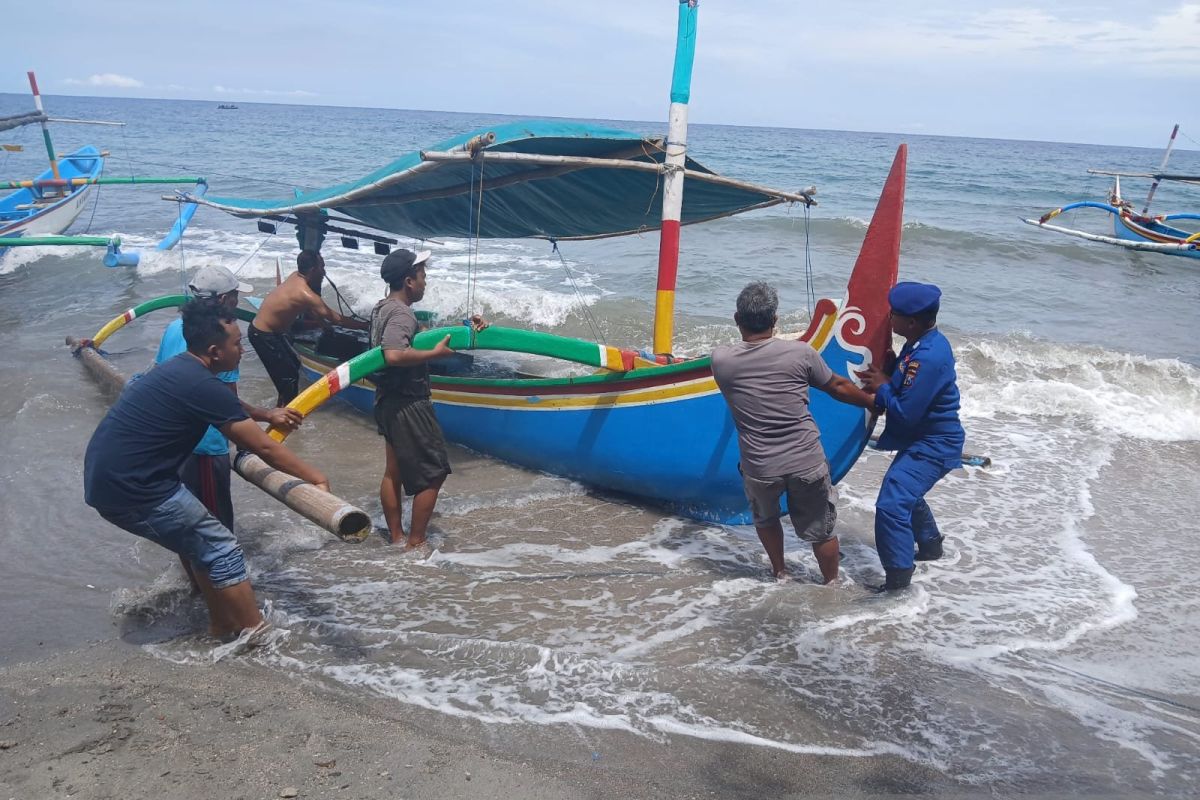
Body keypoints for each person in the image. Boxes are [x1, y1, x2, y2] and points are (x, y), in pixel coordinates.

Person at [85, 302, 331, 641]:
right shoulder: (201, 385)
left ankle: (222, 625)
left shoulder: (183, 369)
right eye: (237, 343)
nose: (243, 350)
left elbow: (225, 404)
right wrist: (317, 479)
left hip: (111, 478)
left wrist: (265, 413)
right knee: (222, 547)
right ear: (215, 352)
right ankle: (255, 635)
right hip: (134, 488)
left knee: (200, 542)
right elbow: (264, 448)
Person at [712, 282, 878, 583]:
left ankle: (780, 572)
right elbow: (838, 386)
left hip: (760, 466)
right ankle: (831, 585)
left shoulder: (721, 361)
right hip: (806, 461)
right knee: (821, 531)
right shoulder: (801, 353)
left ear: (737, 319)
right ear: (776, 321)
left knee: (766, 519)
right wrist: (873, 403)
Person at [155, 265, 303, 542]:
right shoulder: (222, 342)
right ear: (224, 300)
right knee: (217, 530)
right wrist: (268, 416)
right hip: (204, 446)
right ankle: (217, 583)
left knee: (188, 525)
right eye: (235, 296)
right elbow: (228, 403)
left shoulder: (176, 328)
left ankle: (198, 579)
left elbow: (160, 373)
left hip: (172, 444)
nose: (236, 303)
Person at [370, 248, 485, 548]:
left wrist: (466, 328)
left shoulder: (382, 308)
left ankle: (397, 538)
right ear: (409, 281)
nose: (425, 282)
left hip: (386, 400)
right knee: (434, 473)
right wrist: (434, 355)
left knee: (393, 472)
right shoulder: (401, 313)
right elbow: (394, 353)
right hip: (409, 403)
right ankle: (415, 544)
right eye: (423, 276)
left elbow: (416, 336)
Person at [857, 281, 964, 591]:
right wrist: (889, 370)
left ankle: (897, 580)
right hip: (925, 438)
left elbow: (905, 411)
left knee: (891, 503)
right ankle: (930, 547)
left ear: (912, 322)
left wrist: (882, 386)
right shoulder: (920, 343)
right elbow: (905, 382)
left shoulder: (927, 357)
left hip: (935, 444)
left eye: (895, 314)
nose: (890, 318)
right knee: (905, 491)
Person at [248, 250, 368, 406]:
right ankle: (283, 418)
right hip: (263, 335)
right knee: (289, 379)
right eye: (322, 267)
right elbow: (337, 319)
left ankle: (282, 408)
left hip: (271, 331)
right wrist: (366, 325)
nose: (324, 271)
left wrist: (323, 325)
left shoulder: (295, 276)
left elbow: (310, 308)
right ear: (313, 270)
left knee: (294, 366)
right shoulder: (305, 294)